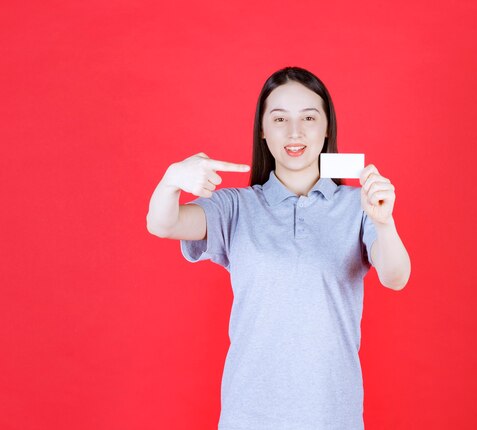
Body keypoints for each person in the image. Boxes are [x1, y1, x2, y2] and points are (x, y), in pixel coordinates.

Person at [146, 66, 411, 430]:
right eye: (280, 118)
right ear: (263, 131)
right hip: (248, 416)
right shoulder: (235, 207)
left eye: (309, 117)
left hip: (332, 416)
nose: (295, 132)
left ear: (327, 127)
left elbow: (396, 277)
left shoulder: (357, 206)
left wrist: (384, 221)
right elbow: (163, 223)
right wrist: (171, 181)